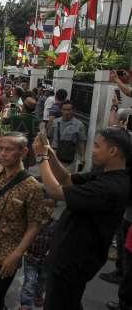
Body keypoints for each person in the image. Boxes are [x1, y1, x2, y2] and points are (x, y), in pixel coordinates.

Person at [33, 127, 132, 310]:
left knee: (60, 303)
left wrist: (41, 158)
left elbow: (55, 192)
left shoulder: (112, 186)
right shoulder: (105, 174)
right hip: (69, 254)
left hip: (74, 261)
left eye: (96, 146)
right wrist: (50, 154)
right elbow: (67, 179)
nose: (92, 150)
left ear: (113, 151)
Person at [0, 132, 48, 310]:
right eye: (0, 149)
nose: (3, 153)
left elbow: (35, 225)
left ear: (24, 152)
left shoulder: (32, 187)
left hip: (6, 254)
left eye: (9, 150)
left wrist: (17, 254)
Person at [47, 100, 87, 172]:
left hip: (69, 156)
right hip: (55, 154)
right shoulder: (55, 122)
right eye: (64, 110)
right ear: (61, 110)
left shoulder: (79, 125)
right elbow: (49, 137)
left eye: (69, 110)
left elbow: (81, 142)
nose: (66, 112)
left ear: (73, 110)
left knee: (66, 179)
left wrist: (83, 157)